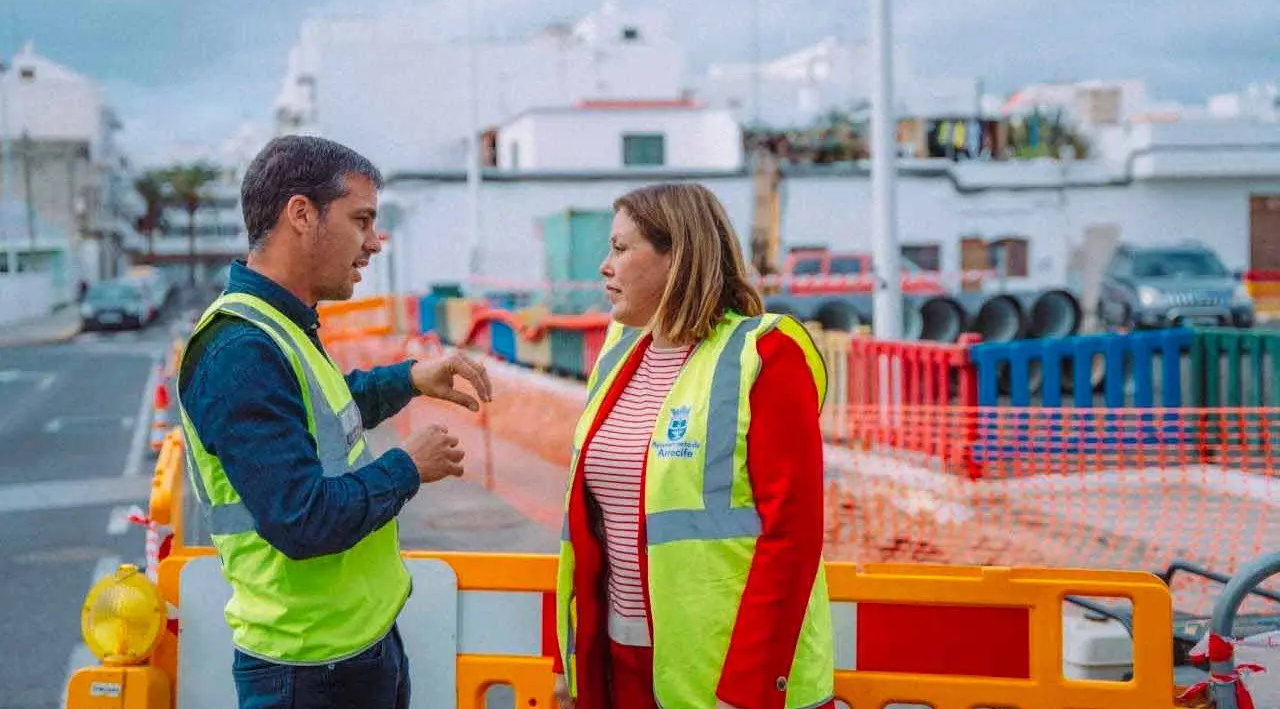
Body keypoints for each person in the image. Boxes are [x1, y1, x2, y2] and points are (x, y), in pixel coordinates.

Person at [176, 134, 493, 709]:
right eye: (361, 220)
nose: (375, 242)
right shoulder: (240, 349)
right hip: (307, 672)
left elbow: (325, 412)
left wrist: (409, 378)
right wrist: (408, 467)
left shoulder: (281, 325)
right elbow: (301, 519)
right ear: (301, 214)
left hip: (350, 651)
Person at [552, 183, 835, 709]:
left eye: (619, 248)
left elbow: (791, 537)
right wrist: (571, 657)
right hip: (619, 664)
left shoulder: (766, 353)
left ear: (677, 256)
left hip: (727, 678)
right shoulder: (619, 353)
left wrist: (748, 689)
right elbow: (591, 526)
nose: (603, 267)